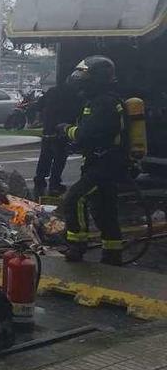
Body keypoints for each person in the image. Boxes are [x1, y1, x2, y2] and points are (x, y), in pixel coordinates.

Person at [57, 56, 127, 266]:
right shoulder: (101, 100)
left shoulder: (104, 102)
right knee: (103, 209)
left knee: (74, 199)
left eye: (84, 76)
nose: (80, 80)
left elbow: (87, 133)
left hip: (104, 164)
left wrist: (65, 130)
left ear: (97, 79)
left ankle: (76, 246)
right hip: (102, 161)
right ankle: (112, 254)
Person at [33, 82, 81, 199]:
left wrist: (41, 120)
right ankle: (54, 184)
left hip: (48, 129)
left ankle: (39, 181)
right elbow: (78, 113)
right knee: (59, 159)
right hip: (62, 131)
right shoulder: (75, 95)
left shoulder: (52, 91)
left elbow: (39, 106)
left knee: (45, 157)